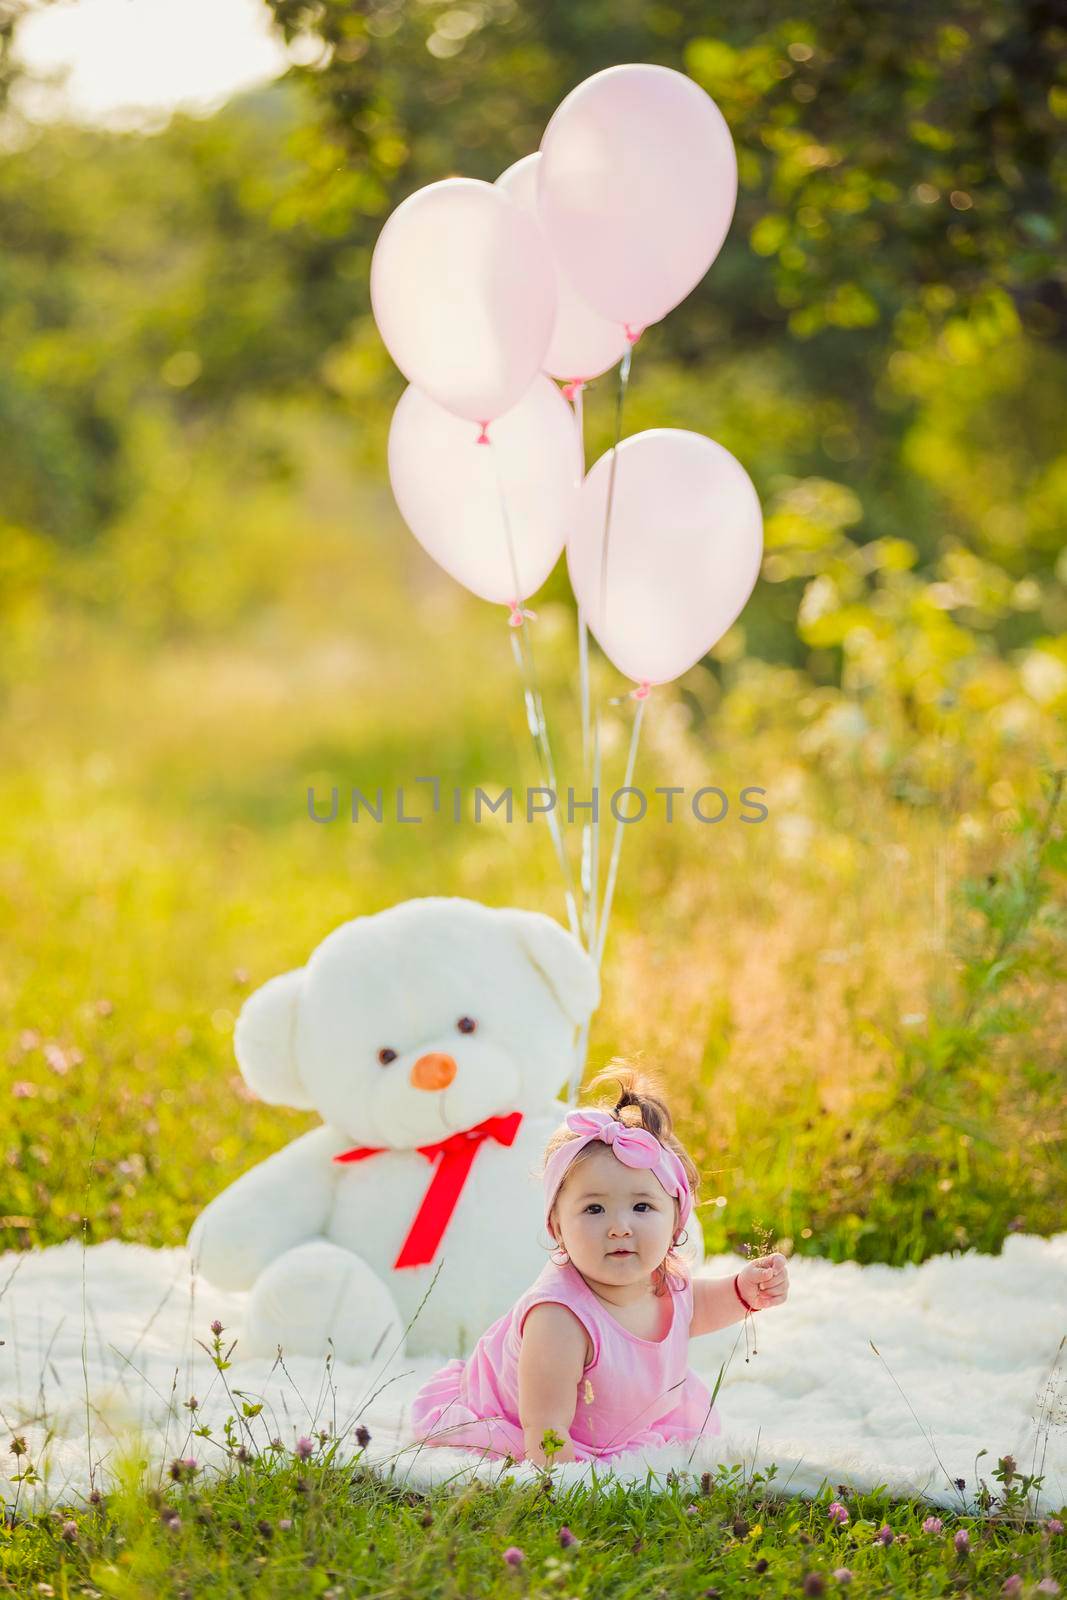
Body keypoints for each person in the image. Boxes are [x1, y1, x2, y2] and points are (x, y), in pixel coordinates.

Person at [408, 1064, 790, 1466]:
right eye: (594, 1209)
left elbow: (696, 1306)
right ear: (557, 1227)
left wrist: (744, 1291)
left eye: (642, 1206)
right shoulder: (557, 1318)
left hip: (626, 1414)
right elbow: (545, 1429)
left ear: (676, 1219)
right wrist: (568, 1484)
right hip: (534, 1419)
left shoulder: (664, 1282)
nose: (619, 1228)